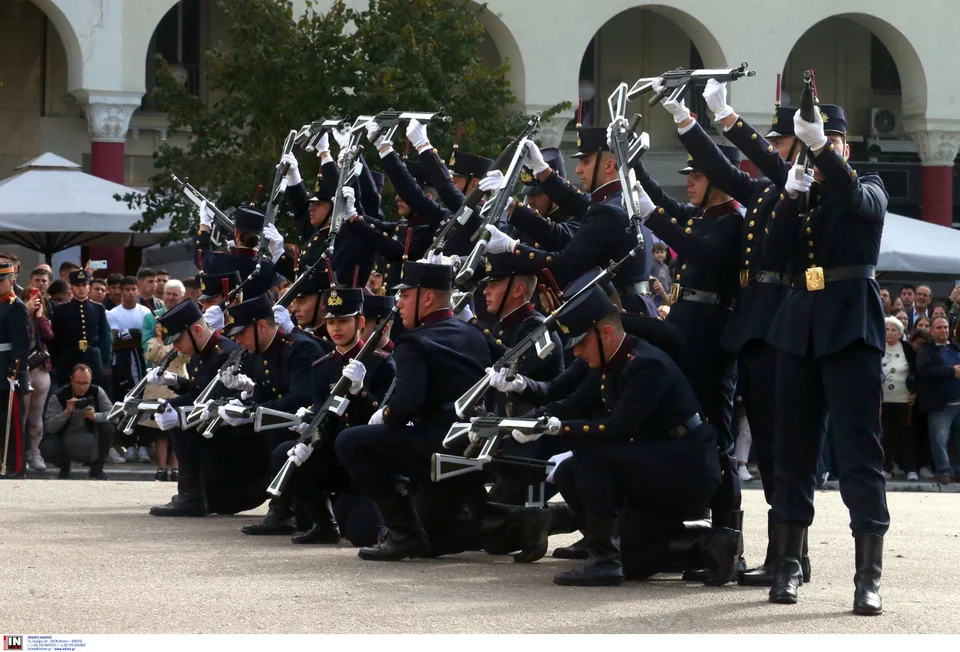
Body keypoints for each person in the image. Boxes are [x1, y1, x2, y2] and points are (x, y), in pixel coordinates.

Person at [764, 103, 889, 615]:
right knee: (792, 452)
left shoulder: (870, 185)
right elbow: (771, 257)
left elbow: (859, 201)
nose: (822, 148)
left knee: (859, 455)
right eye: (817, 140)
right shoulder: (806, 196)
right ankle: (790, 565)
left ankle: (868, 575)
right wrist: (789, 200)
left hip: (850, 327)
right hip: (800, 328)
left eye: (831, 139)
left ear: (844, 145)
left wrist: (819, 148)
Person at [530, 282, 738, 586]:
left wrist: (557, 428)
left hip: (685, 470)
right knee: (632, 557)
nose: (575, 350)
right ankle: (706, 544)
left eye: (580, 342)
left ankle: (604, 558)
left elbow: (618, 429)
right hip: (656, 466)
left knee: (590, 456)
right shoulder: (609, 360)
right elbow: (574, 403)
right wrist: (527, 420)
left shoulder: (646, 365)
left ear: (607, 334)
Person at [335, 261, 524, 562]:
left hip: (436, 447)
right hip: (470, 443)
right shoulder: (471, 332)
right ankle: (535, 521)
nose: (398, 302)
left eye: (406, 295)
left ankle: (402, 533)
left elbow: (407, 406)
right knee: (436, 540)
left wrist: (382, 414)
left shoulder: (413, 341)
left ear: (427, 298)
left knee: (350, 441)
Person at [246, 287, 395, 545]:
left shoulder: (382, 363)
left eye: (343, 321)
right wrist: (308, 433)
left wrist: (360, 392)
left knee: (361, 535)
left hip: (371, 462)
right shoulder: (323, 366)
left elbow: (386, 418)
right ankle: (324, 524)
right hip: (336, 457)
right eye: (331, 322)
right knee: (287, 452)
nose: (336, 328)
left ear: (360, 322)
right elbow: (323, 413)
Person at [482, 133, 655, 317]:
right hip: (628, 307)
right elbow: (575, 201)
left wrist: (512, 247)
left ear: (610, 165)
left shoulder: (608, 211)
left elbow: (564, 267)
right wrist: (540, 172)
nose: (578, 170)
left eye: (586, 162)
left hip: (620, 313)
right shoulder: (616, 200)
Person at [146, 300, 241, 517]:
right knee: (170, 408)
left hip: (234, 434)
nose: (176, 347)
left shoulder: (226, 354)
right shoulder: (199, 353)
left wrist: (180, 414)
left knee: (179, 417)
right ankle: (190, 491)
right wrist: (175, 382)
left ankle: (192, 496)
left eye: (178, 340)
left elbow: (223, 400)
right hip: (213, 428)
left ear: (197, 330)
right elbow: (199, 392)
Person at [106, 276, 153, 463]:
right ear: (121, 291)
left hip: (143, 362)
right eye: (127, 289)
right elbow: (115, 340)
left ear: (138, 290)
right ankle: (130, 444)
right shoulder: (113, 313)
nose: (131, 292)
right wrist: (135, 334)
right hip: (124, 364)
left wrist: (134, 335)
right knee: (127, 402)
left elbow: (147, 338)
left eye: (134, 289)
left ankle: (144, 445)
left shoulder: (145, 312)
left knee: (146, 402)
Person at [41, 364, 114, 480]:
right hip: (66, 440)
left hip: (91, 439)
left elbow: (114, 415)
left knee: (108, 428)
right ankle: (64, 468)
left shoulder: (97, 392)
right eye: (78, 383)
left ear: (91, 380)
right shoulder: (59, 395)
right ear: (71, 380)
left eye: (85, 383)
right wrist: (66, 413)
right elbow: (49, 426)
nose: (82, 387)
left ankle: (97, 469)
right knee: (47, 446)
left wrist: (95, 416)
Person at [194, 204, 283, 298]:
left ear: (236, 233)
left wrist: (204, 225)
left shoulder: (219, 261)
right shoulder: (268, 268)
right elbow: (280, 277)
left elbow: (200, 255)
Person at [915, 317, 960, 484]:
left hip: (958, 402)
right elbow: (925, 371)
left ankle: (958, 471)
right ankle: (944, 471)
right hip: (940, 405)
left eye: (946, 327)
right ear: (932, 331)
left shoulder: (955, 348)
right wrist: (951, 371)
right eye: (939, 327)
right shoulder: (927, 350)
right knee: (939, 440)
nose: (943, 330)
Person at [50, 270, 111, 389]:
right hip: (69, 356)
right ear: (72, 287)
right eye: (77, 285)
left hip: (92, 356)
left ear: (89, 287)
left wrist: (104, 362)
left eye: (84, 285)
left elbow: (104, 337)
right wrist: (57, 362)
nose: (81, 289)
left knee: (94, 391)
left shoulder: (98, 308)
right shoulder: (61, 310)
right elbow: (55, 339)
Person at [0, 260, 29, 478]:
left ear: (11, 281)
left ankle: (16, 466)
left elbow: (21, 344)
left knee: (13, 422)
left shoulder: (15, 305)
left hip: (7, 369)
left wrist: (15, 372)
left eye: (1, 281)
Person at [20, 285, 54, 472]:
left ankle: (35, 452)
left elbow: (49, 336)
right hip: (22, 367)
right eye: (31, 297)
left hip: (40, 368)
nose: (35, 301)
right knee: (21, 414)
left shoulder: (43, 319)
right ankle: (20, 453)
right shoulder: (19, 316)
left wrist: (40, 316)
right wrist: (25, 311)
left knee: (36, 415)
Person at [881, 316, 918, 481]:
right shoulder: (878, 347)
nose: (890, 333)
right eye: (887, 329)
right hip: (883, 401)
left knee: (906, 437)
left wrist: (914, 391)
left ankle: (910, 469)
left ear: (900, 333)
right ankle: (885, 467)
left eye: (893, 330)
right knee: (885, 436)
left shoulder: (907, 348)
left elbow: (916, 371)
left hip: (904, 400)